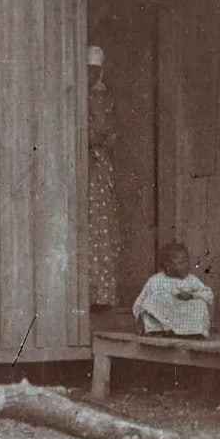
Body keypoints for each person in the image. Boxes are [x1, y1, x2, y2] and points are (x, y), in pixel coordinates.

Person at [87, 45, 121, 309]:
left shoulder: (104, 99)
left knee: (101, 225)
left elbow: (109, 134)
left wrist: (100, 139)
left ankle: (101, 293)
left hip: (98, 167)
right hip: (84, 165)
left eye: (94, 70)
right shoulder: (77, 97)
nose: (90, 74)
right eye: (87, 69)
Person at [133, 243, 215, 337]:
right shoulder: (155, 280)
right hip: (164, 317)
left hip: (183, 314)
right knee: (150, 302)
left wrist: (192, 295)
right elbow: (140, 302)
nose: (186, 266)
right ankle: (157, 330)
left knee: (200, 304)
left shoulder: (191, 280)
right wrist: (138, 316)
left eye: (187, 261)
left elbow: (208, 295)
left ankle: (192, 332)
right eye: (181, 263)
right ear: (168, 266)